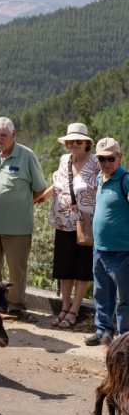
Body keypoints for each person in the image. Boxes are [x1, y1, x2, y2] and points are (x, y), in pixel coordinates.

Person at [0, 117, 47, 315]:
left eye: (4, 135)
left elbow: (39, 190)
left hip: (18, 227)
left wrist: (19, 205)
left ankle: (15, 307)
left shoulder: (27, 156)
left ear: (13, 135)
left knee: (16, 271)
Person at [36, 123, 98, 329]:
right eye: (70, 141)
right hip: (62, 223)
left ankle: (75, 310)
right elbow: (59, 184)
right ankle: (64, 307)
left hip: (85, 225)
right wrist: (42, 197)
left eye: (78, 141)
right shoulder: (64, 160)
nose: (73, 144)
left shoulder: (96, 162)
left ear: (86, 143)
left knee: (82, 269)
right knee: (65, 269)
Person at [85, 137, 129, 346]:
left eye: (110, 158)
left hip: (123, 251)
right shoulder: (101, 179)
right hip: (100, 250)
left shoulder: (125, 180)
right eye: (101, 159)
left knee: (125, 299)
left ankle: (124, 337)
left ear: (119, 157)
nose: (106, 163)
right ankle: (103, 332)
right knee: (102, 294)